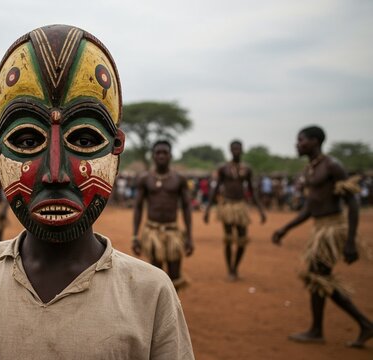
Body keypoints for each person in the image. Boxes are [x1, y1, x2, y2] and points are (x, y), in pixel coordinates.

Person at [0, 24, 193, 359]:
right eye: (27, 140)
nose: (54, 174)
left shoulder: (150, 292)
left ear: (116, 147)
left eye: (85, 139)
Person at [272, 125, 372, 348]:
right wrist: (285, 228)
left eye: (301, 140)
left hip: (332, 229)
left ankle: (362, 323)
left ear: (315, 141)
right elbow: (310, 208)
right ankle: (319, 329)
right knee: (317, 278)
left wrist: (350, 241)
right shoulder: (312, 169)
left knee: (319, 278)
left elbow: (353, 202)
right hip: (319, 228)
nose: (297, 144)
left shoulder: (332, 166)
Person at [132, 140, 193, 291]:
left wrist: (189, 237)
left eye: (164, 153)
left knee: (174, 274)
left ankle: (173, 309)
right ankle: (159, 311)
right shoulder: (145, 179)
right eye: (158, 153)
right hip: (152, 231)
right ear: (153, 156)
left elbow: (186, 207)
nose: (161, 156)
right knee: (156, 274)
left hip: (173, 232)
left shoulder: (179, 179)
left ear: (170, 155)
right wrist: (135, 236)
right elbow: (138, 207)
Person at [204, 140, 266, 280]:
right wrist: (208, 209)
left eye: (238, 148)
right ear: (230, 150)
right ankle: (230, 270)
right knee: (228, 239)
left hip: (241, 207)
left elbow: (252, 190)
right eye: (234, 149)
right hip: (227, 206)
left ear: (242, 150)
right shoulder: (223, 168)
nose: (236, 151)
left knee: (242, 239)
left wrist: (261, 210)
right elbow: (215, 189)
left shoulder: (247, 169)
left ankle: (235, 267)